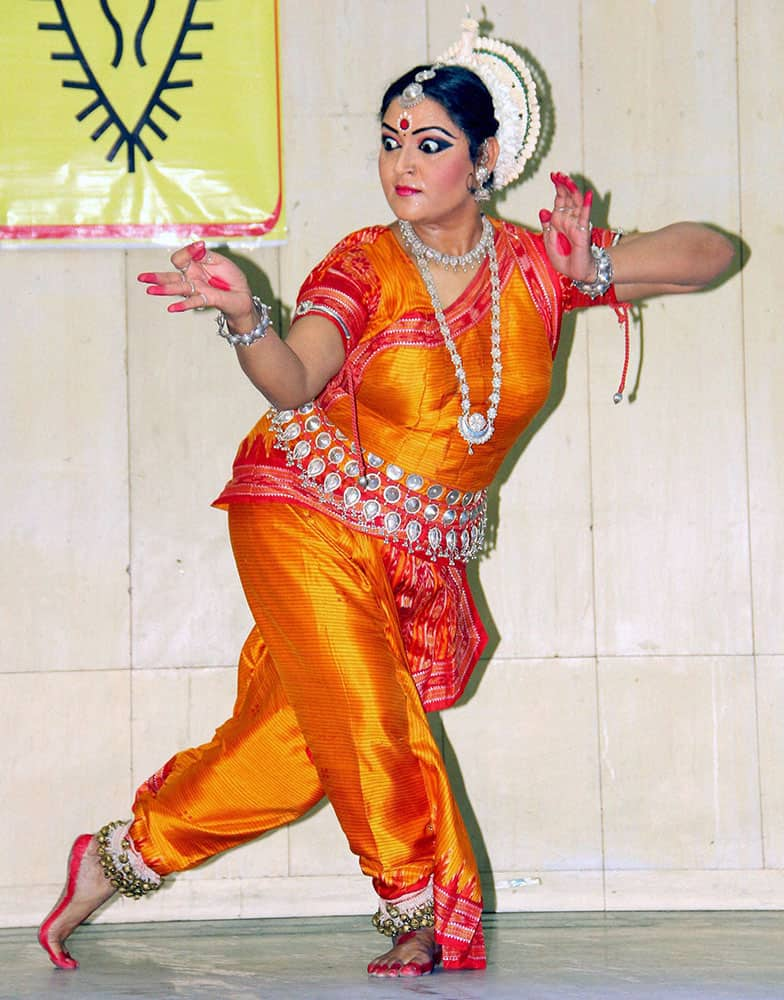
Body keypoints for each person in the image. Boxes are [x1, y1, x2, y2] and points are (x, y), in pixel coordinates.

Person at [38, 17, 734, 979]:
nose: (402, 162)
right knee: (370, 716)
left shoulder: (537, 267)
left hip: (419, 550)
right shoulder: (368, 262)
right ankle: (416, 908)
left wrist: (601, 269)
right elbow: (294, 380)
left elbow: (711, 254)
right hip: (300, 510)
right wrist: (248, 318)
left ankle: (115, 858)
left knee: (290, 750)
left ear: (487, 158)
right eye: (391, 140)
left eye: (431, 143)